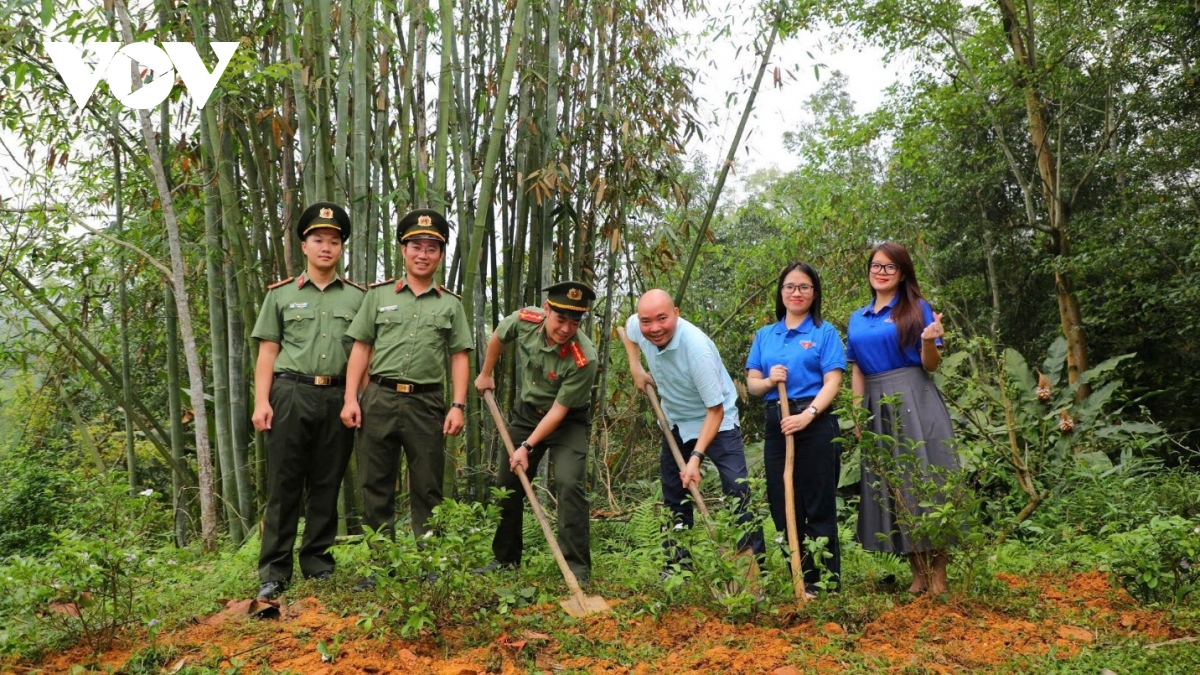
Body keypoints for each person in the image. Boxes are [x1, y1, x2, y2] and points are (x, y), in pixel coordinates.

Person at [340, 209, 472, 588]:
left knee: (427, 486)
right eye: (416, 246)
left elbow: (459, 355)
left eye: (432, 248)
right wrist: (352, 397)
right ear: (403, 250)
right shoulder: (378, 296)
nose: (423, 254)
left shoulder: (450, 304)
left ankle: (431, 564)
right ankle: (381, 565)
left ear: (441, 255)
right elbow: (361, 348)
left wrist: (458, 405)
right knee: (375, 483)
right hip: (378, 397)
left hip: (426, 403)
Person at [251, 201, 365, 601]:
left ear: (341, 248)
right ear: (304, 245)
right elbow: (267, 350)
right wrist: (261, 402)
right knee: (284, 483)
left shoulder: (357, 298)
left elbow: (362, 355)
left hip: (337, 394)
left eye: (334, 241)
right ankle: (274, 571)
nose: (326, 247)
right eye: (318, 239)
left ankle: (317, 562)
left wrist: (356, 398)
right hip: (290, 392)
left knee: (326, 481)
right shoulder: (281, 295)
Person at [621, 289, 765, 576]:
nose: (654, 328)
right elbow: (626, 330)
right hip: (675, 420)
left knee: (737, 489)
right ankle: (676, 565)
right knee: (674, 493)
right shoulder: (640, 327)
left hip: (716, 421)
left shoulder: (696, 349)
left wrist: (696, 458)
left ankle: (753, 568)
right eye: (647, 321)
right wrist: (635, 366)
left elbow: (716, 410)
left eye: (662, 318)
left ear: (676, 313)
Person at [846, 241, 958, 595]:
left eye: (889, 267)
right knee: (897, 488)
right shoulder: (858, 318)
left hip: (916, 395)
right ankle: (917, 575)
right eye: (875, 266)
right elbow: (858, 369)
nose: (881, 272)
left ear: (902, 272)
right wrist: (857, 413)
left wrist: (928, 340)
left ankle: (938, 576)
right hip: (876, 404)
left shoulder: (917, 308)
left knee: (927, 480)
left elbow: (931, 365)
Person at [474, 282, 599, 584]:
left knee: (569, 484)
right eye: (560, 319)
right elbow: (498, 337)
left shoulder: (585, 358)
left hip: (568, 419)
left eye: (575, 322)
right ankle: (506, 559)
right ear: (546, 310)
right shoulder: (525, 321)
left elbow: (559, 411)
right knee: (508, 483)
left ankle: (577, 570)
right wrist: (486, 373)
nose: (567, 328)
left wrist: (527, 448)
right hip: (528, 413)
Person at [745, 262, 845, 597]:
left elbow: (833, 381)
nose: (796, 293)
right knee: (782, 503)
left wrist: (810, 414)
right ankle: (800, 581)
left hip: (815, 423)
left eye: (804, 287)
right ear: (781, 292)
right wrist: (769, 380)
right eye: (790, 286)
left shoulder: (824, 332)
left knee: (819, 505)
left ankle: (826, 586)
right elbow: (752, 385)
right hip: (778, 423)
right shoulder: (765, 335)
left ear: (814, 293)